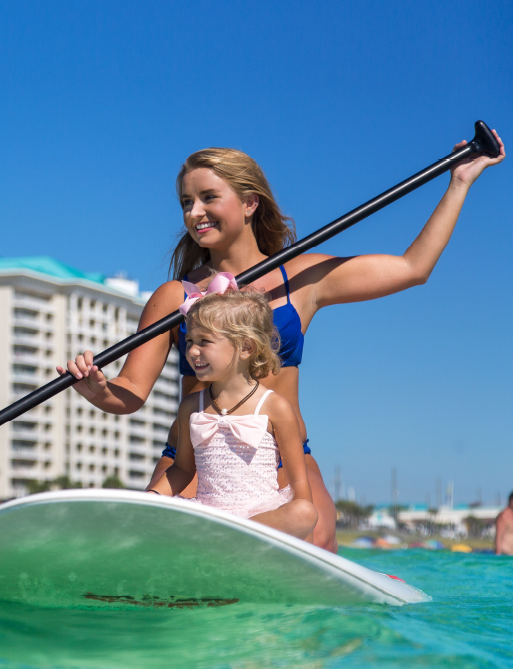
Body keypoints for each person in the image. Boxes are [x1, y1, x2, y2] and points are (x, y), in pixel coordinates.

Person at [60, 132, 504, 552]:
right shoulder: (174, 297)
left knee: (318, 543)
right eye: (185, 203)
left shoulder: (301, 280)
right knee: (163, 554)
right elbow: (130, 392)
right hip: (194, 458)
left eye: (209, 198)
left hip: (280, 455)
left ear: (250, 202)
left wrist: (459, 183)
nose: (194, 212)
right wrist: (100, 389)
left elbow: (412, 268)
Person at [146, 289, 317, 538]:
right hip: (209, 515)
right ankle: (222, 538)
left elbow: (299, 486)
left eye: (204, 341)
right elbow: (182, 469)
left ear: (245, 347)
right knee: (159, 517)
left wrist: (305, 544)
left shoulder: (274, 407)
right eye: (190, 342)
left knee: (304, 513)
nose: (192, 351)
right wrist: (152, 497)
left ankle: (233, 537)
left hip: (259, 521)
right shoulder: (191, 407)